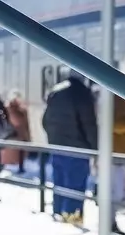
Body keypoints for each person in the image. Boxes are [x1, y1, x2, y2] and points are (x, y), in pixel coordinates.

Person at [42, 71, 98, 224]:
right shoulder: (82, 93)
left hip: (57, 147)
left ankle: (58, 214)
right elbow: (89, 125)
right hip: (78, 149)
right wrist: (96, 149)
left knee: (59, 183)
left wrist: (53, 139)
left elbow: (45, 121)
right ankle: (73, 219)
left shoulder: (55, 91)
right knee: (75, 187)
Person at [3, 89, 31, 167]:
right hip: (17, 134)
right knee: (17, 153)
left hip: (16, 134)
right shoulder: (19, 109)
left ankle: (18, 167)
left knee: (18, 153)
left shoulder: (8, 108)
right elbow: (23, 123)